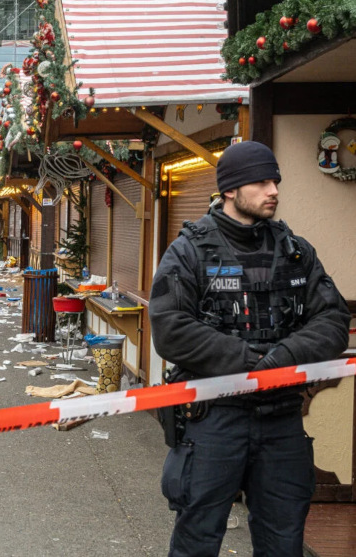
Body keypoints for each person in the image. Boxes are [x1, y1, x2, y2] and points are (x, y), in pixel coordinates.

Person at [149, 140, 350, 556]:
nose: (273, 189)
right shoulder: (188, 252)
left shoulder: (296, 252)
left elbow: (332, 320)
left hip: (282, 421)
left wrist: (284, 358)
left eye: (274, 180)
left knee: (283, 541)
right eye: (260, 181)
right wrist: (247, 361)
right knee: (197, 539)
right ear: (230, 190)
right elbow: (170, 328)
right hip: (215, 420)